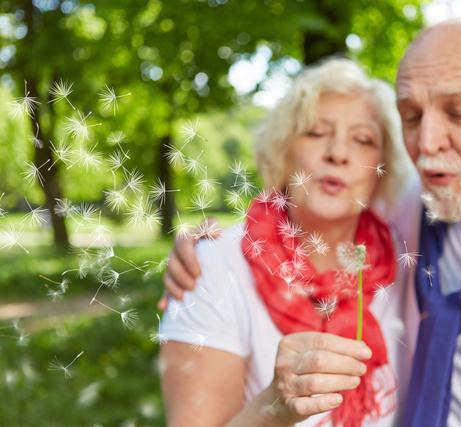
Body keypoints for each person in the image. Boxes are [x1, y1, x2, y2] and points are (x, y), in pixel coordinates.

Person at [163, 14, 461, 427]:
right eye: (411, 116)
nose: (427, 142)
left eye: (458, 111)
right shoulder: (430, 198)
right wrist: (205, 243)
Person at [159, 57, 419, 427]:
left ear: (384, 166)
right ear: (283, 148)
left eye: (363, 140)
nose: (338, 153)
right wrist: (274, 407)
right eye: (315, 132)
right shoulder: (212, 266)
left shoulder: (407, 255)